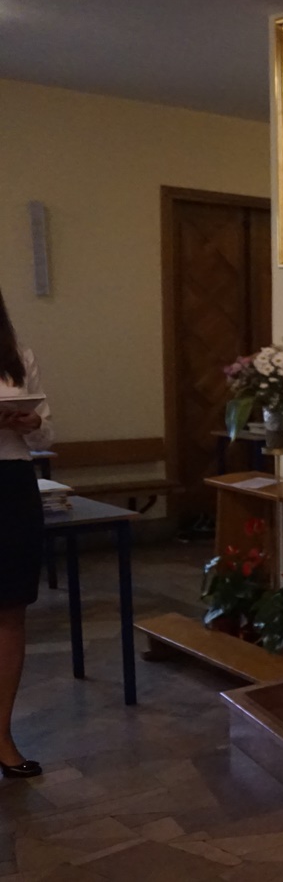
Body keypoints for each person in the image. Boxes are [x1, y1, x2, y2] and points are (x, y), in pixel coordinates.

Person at [0, 286, 52, 779]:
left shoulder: (18, 358)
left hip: (11, 484)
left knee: (9, 611)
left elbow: (45, 436)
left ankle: (2, 735)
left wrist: (32, 422)